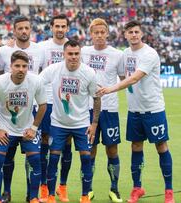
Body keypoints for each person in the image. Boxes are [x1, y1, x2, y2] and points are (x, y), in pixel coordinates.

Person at [97, 20, 175, 203]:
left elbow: (134, 78)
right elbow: (125, 76)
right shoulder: (125, 54)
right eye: (130, 32)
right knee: (136, 147)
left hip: (153, 109)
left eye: (136, 31)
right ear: (125, 34)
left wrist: (110, 88)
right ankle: (137, 188)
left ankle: (169, 191)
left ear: (141, 34)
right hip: (134, 110)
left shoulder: (149, 54)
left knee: (161, 146)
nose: (133, 34)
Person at [40, 40, 101, 203]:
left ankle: (84, 196)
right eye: (70, 54)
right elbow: (37, 83)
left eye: (76, 54)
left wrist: (94, 124)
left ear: (80, 54)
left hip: (81, 124)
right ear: (63, 54)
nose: (73, 57)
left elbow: (96, 98)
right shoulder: (53, 70)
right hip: (58, 124)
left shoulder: (88, 73)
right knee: (53, 158)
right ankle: (51, 196)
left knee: (86, 158)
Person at [0, 15, 45, 202]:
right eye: (20, 28)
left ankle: (31, 195)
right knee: (7, 157)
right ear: (14, 30)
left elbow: (43, 75)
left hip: (31, 110)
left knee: (33, 156)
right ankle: (6, 193)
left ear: (31, 29)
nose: (24, 31)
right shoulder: (3, 51)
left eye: (27, 28)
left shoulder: (40, 50)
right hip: (8, 111)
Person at [80, 18, 124, 203]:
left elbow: (123, 79)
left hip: (110, 109)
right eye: (95, 32)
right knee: (89, 150)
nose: (99, 35)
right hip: (87, 109)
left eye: (102, 32)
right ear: (90, 34)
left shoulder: (116, 54)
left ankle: (114, 189)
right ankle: (87, 190)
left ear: (107, 33)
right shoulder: (83, 52)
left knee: (112, 150)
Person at [37, 14, 71, 203]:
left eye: (63, 26)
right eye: (56, 26)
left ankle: (62, 186)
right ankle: (43, 185)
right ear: (51, 27)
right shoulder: (42, 47)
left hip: (66, 103)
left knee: (66, 144)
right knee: (43, 142)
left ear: (67, 27)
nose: (59, 29)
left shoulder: (73, 47)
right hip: (47, 102)